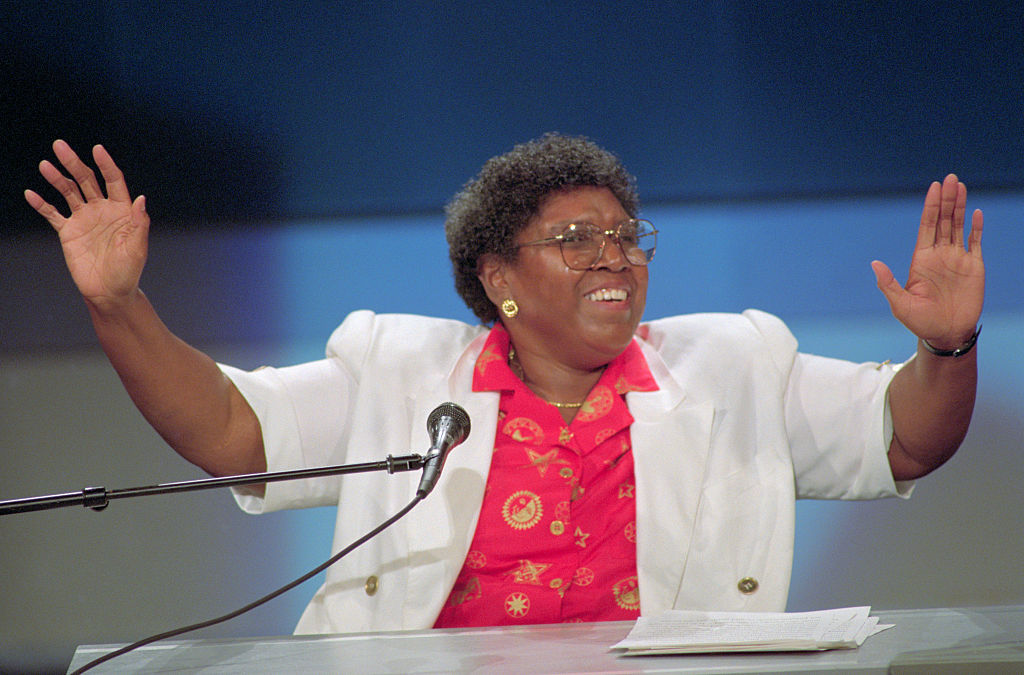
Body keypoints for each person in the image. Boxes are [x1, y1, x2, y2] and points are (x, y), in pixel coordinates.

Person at [25, 133, 984, 634]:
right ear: (497, 279)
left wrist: (945, 349)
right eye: (575, 240)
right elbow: (232, 430)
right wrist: (120, 307)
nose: (613, 255)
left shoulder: (733, 361)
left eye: (624, 235)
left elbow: (904, 438)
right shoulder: (401, 369)